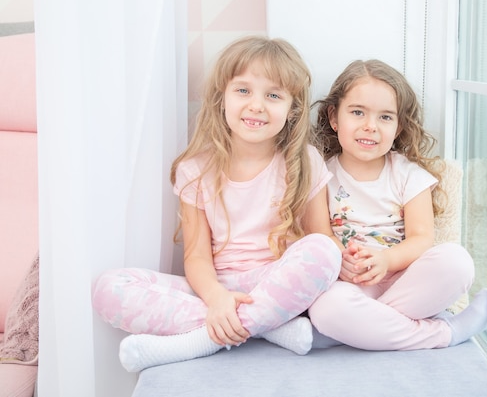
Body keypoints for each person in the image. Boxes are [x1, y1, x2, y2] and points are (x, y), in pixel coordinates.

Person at [91, 36, 342, 372]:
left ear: (292, 109)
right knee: (109, 288)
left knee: (324, 252)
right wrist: (217, 299)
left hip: (275, 284)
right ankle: (267, 328)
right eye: (243, 91)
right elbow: (195, 256)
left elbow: (322, 240)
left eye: (273, 95)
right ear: (221, 98)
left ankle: (201, 339)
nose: (256, 105)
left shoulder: (305, 161)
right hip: (216, 287)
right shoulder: (195, 169)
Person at [307, 59, 487, 351]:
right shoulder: (320, 174)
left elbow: (422, 239)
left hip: (403, 281)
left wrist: (386, 261)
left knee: (457, 262)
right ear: (333, 117)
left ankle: (357, 330)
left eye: (385, 117)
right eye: (357, 112)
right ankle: (445, 333)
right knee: (326, 308)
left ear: (399, 125)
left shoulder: (408, 175)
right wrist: (345, 259)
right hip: (350, 283)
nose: (370, 127)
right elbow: (318, 236)